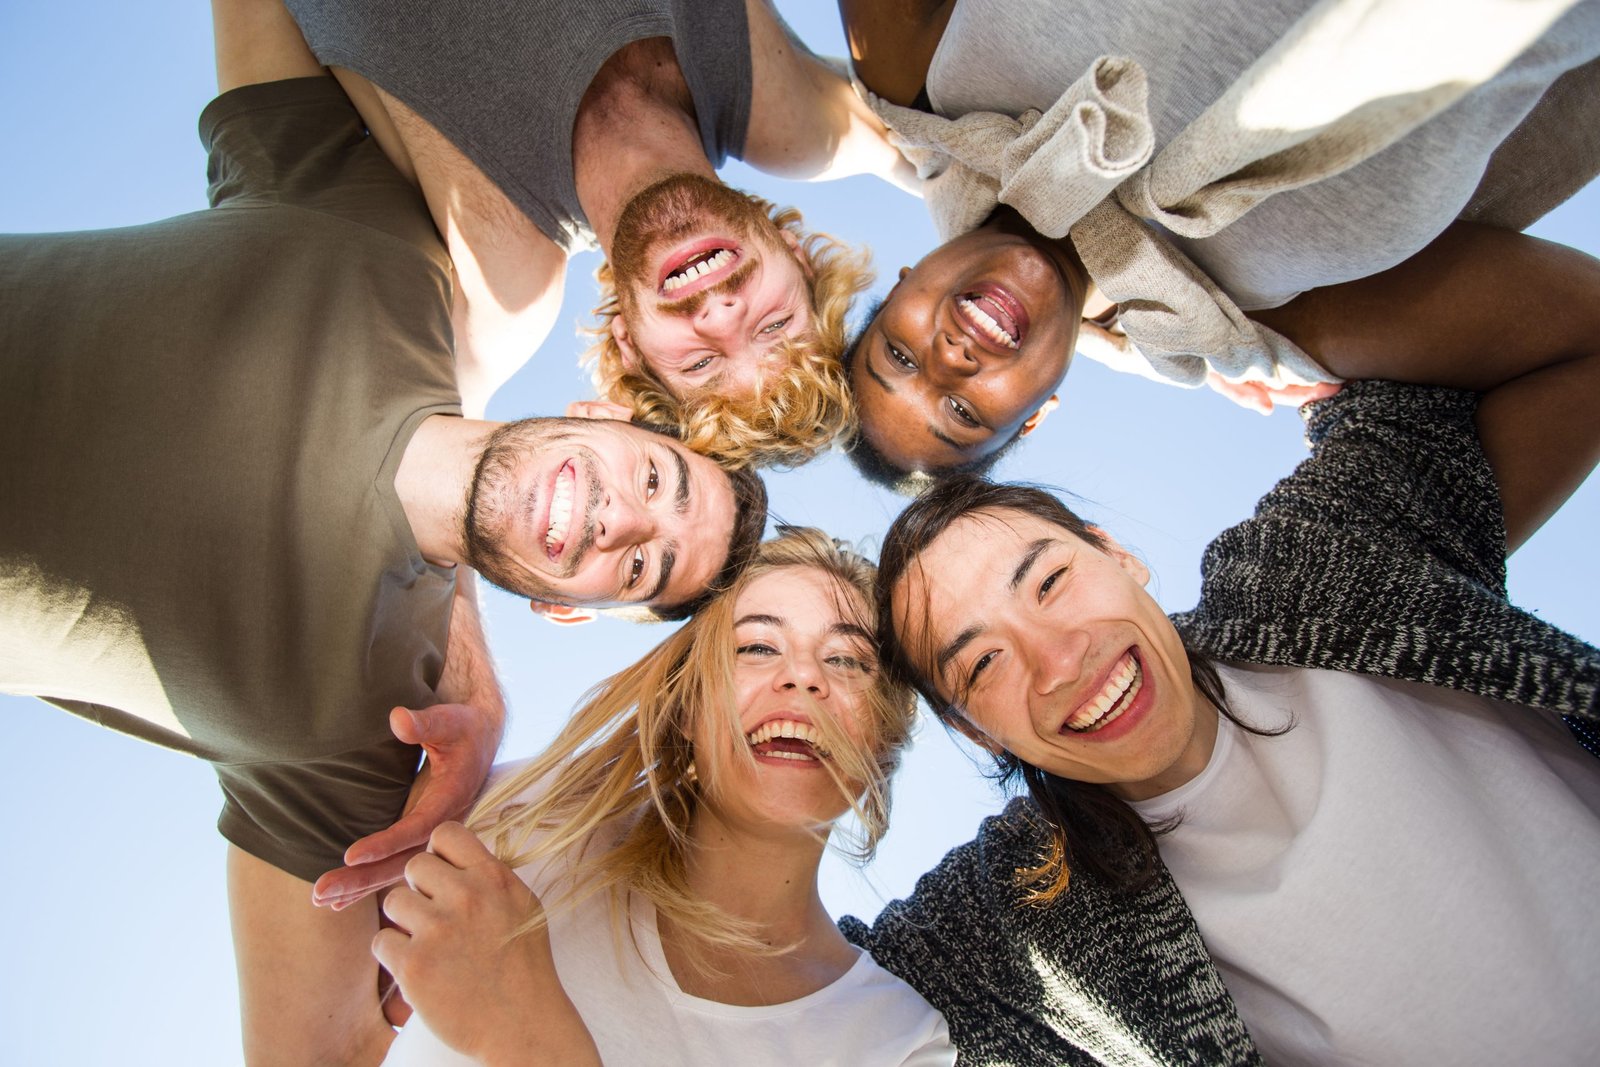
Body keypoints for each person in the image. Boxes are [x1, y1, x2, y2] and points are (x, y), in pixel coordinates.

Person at [0, 4, 767, 1061]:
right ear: (601, 413)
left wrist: (517, 1017)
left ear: (565, 605)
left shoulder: (357, 735)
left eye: (641, 561)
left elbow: (312, 1052)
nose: (617, 515)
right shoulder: (385, 254)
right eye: (653, 476)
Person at [844, 365, 1600, 1062]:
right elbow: (799, 1006)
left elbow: (1533, 343)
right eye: (982, 664)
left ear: (1118, 555)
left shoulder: (1307, 567)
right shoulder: (1012, 918)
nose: (1060, 659)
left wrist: (1193, 326)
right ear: (974, 730)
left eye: (1049, 582)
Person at [835, 0, 1600, 483]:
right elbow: (1583, 339)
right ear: (1036, 414)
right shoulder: (1258, 325)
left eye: (899, 355)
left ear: (902, 280)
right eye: (964, 412)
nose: (950, 363)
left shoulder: (918, 86)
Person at [367, 528, 954, 1065]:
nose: (802, 676)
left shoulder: (897, 1042)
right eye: (755, 647)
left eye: (847, 661)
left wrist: (529, 1039)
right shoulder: (526, 817)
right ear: (688, 710)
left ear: (886, 739)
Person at [282, 0, 917, 467]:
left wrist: (583, 473)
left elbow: (411, 453)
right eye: (774, 326)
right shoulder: (796, 118)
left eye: (700, 363)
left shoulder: (499, 273)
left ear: (630, 347)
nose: (722, 315)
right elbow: (961, 159)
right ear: (801, 261)